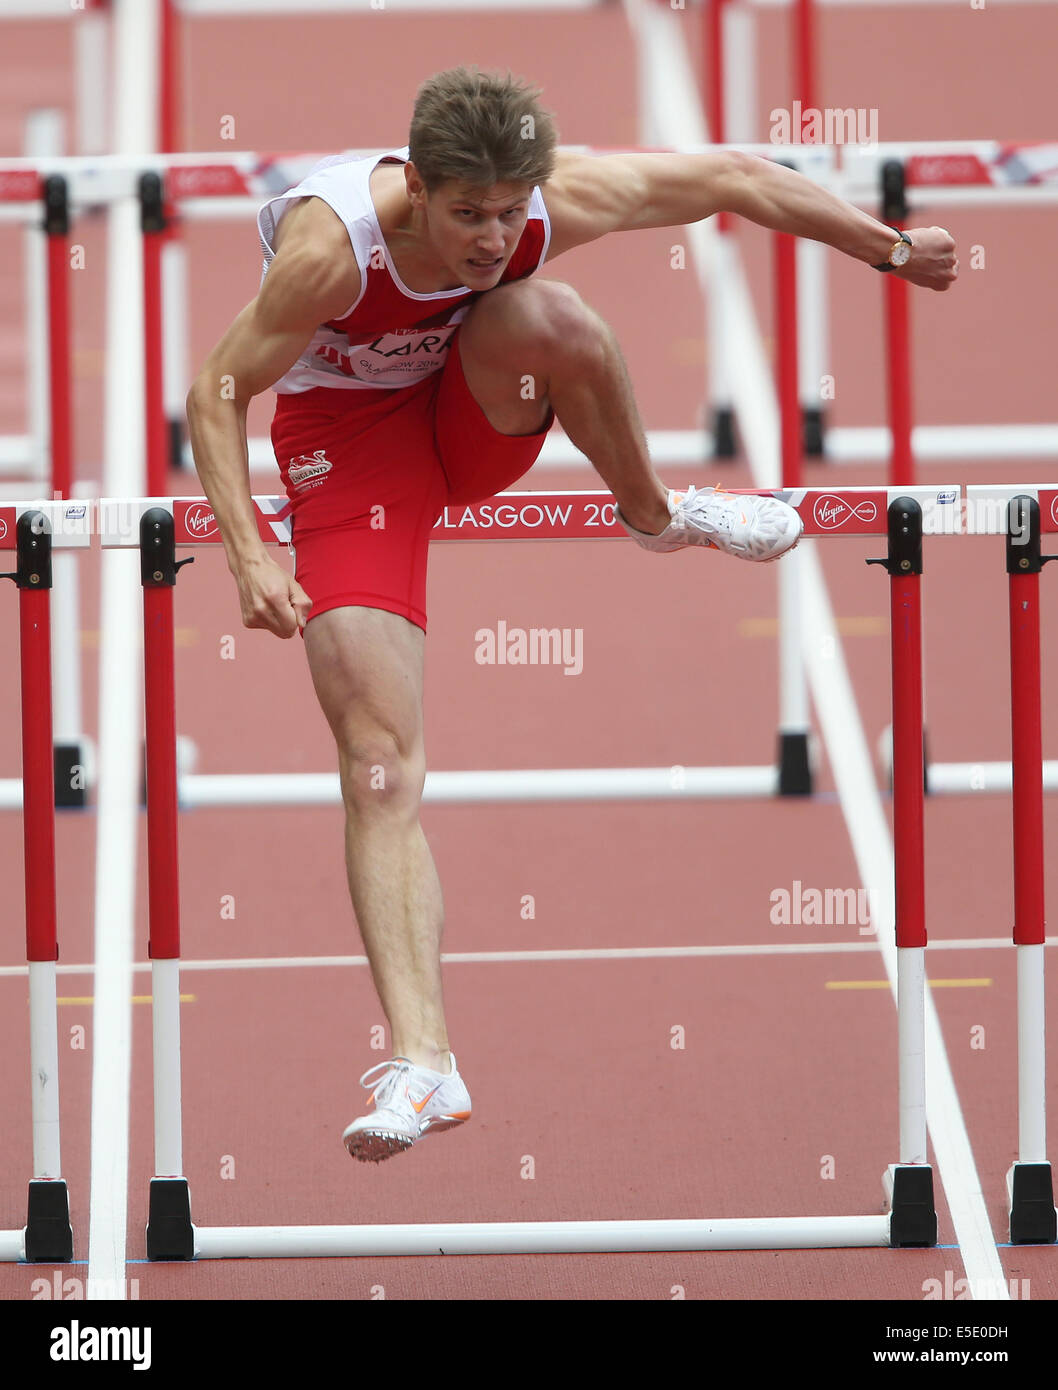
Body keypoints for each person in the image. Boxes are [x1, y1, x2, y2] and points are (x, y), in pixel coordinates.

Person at [186, 67, 957, 1164]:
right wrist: (246, 550)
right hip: (351, 444)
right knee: (376, 755)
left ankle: (656, 512)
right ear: (414, 185)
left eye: (509, 212)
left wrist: (885, 248)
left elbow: (732, 176)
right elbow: (215, 390)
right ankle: (424, 1064)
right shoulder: (330, 247)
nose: (490, 236)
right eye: (466, 215)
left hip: (477, 407)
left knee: (547, 311)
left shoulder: (547, 210)